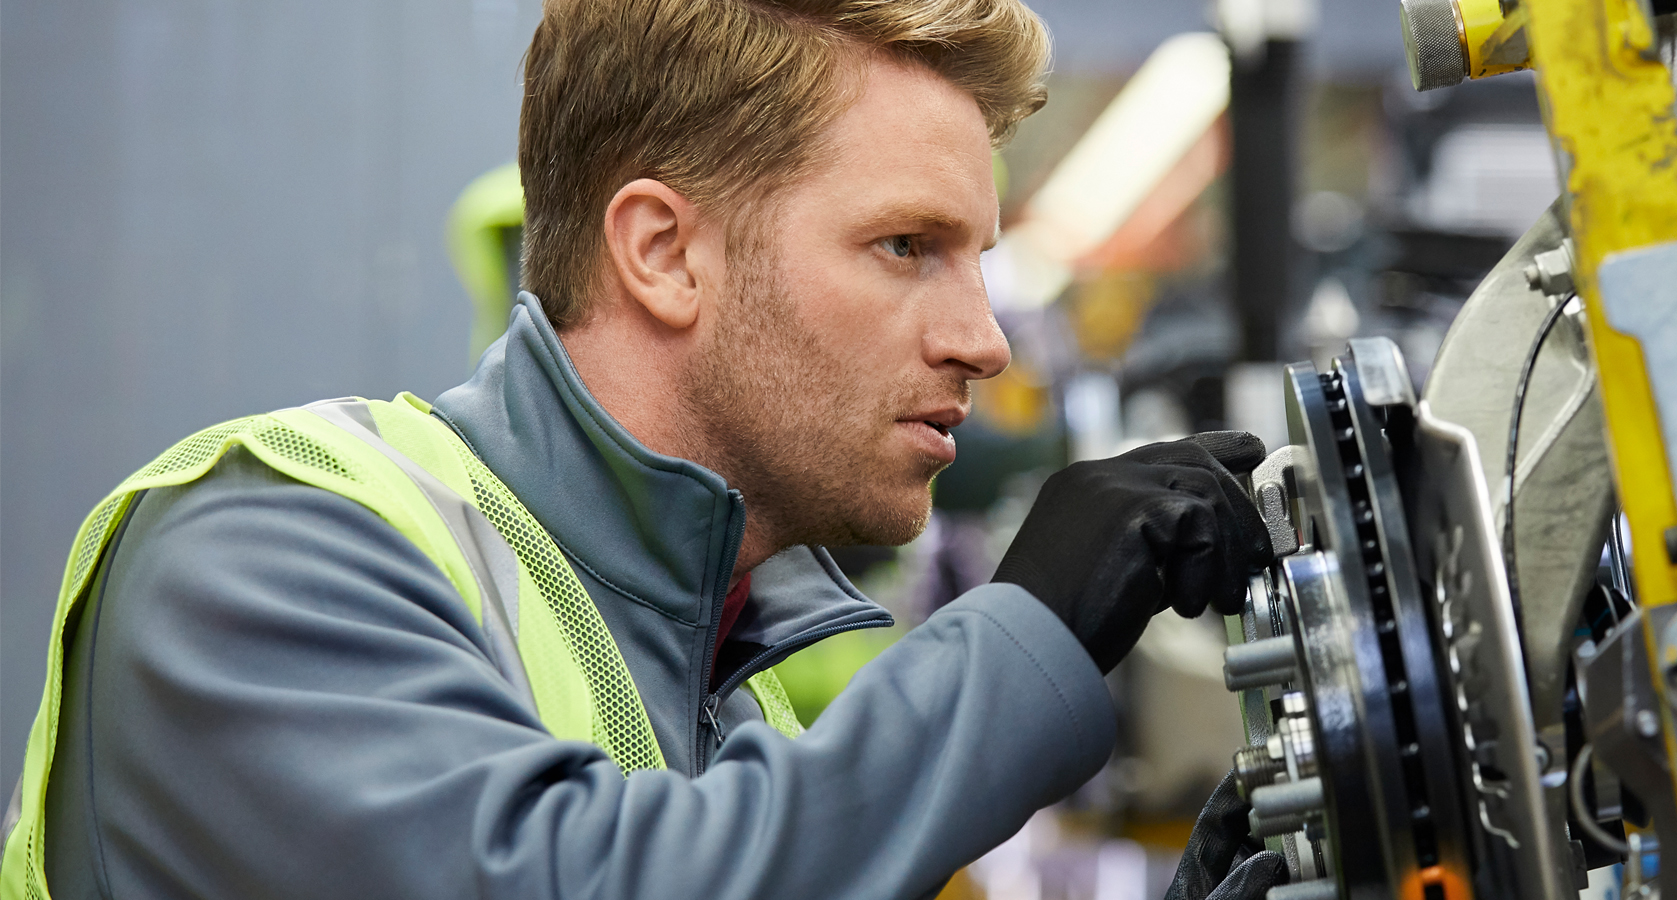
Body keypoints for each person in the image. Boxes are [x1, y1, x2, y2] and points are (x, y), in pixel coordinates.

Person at [0, 1, 1283, 897]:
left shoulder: (738, 682)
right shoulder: (248, 556)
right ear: (664, 252)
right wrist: (1030, 631)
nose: (982, 341)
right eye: (907, 248)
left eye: (978, 262)